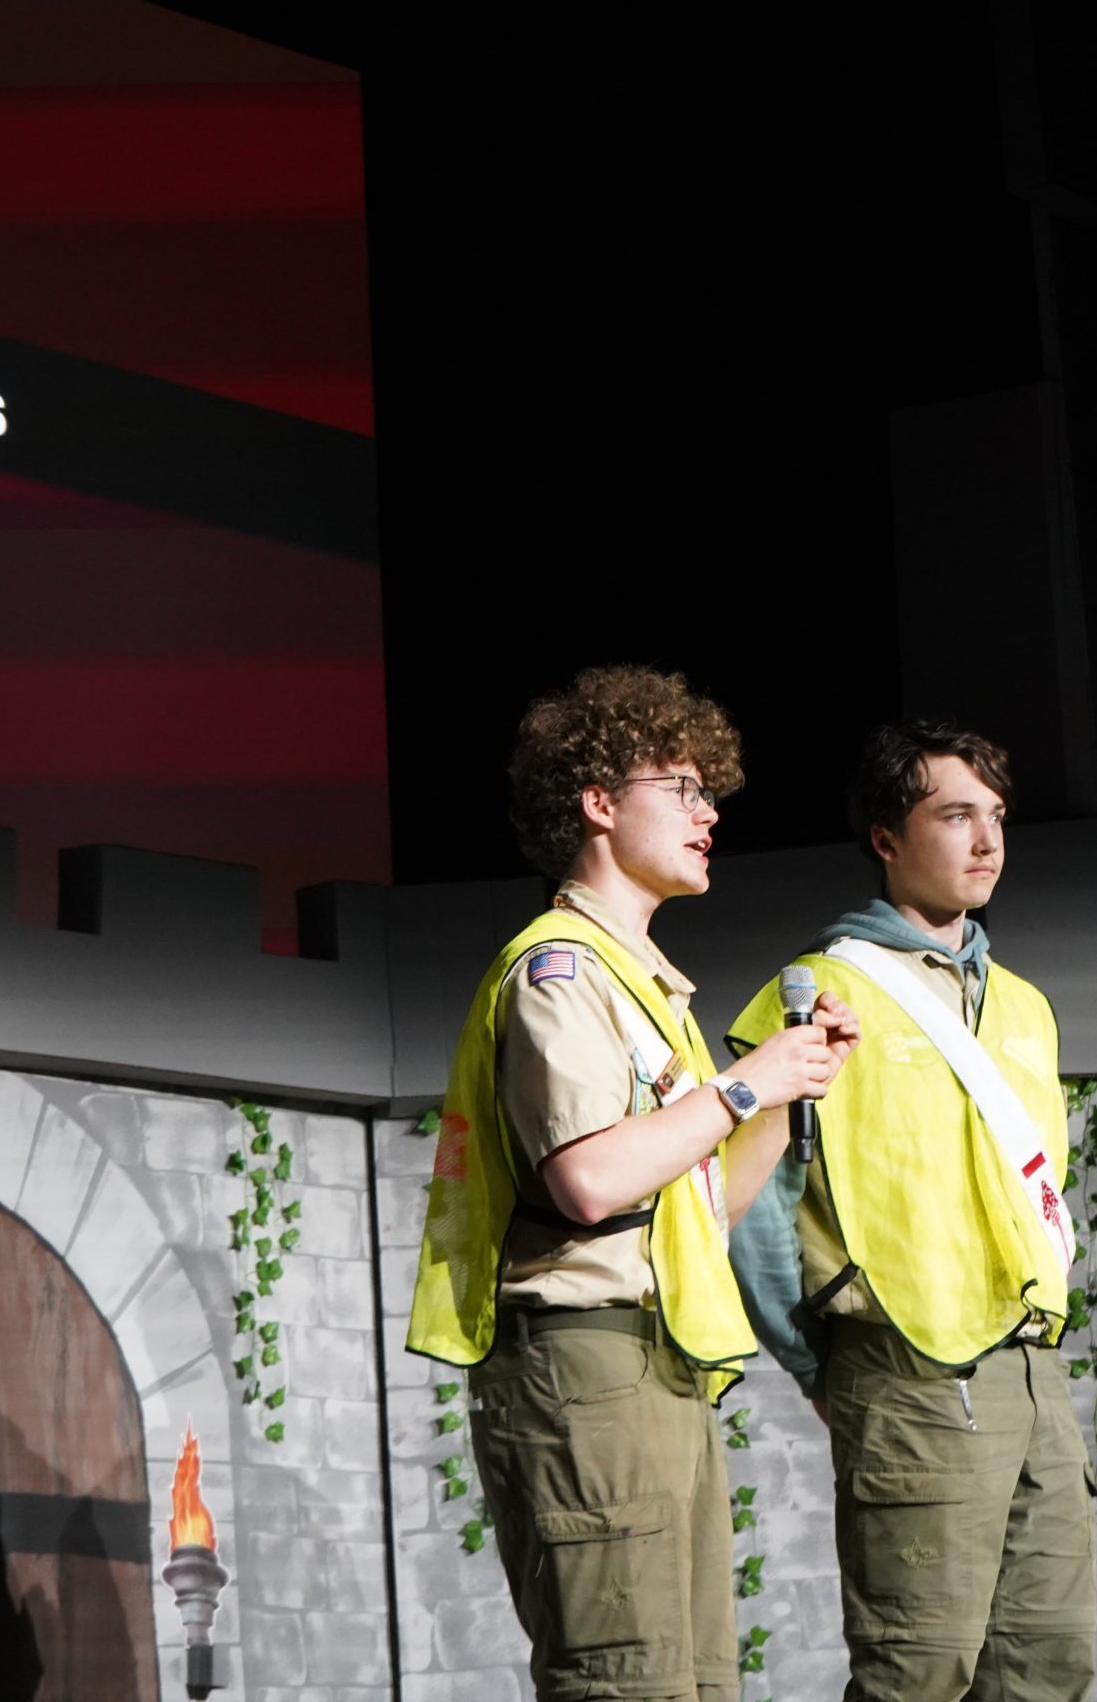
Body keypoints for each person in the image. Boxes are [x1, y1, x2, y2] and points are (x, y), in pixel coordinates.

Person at [408, 664, 860, 1702]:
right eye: (681, 787)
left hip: (656, 1369)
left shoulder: (647, 989)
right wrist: (742, 1086)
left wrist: (788, 1090)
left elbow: (700, 1209)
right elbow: (588, 1179)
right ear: (598, 803)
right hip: (587, 1367)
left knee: (695, 1684)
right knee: (626, 1683)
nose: (709, 814)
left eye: (710, 792)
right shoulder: (558, 973)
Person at [726, 721, 1095, 1702]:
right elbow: (751, 1205)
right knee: (916, 1675)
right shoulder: (819, 991)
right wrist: (818, 1362)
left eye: (997, 816)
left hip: (1032, 1367)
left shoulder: (1025, 1005)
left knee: (1050, 1669)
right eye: (956, 814)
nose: (988, 840)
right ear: (885, 837)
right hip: (905, 1371)